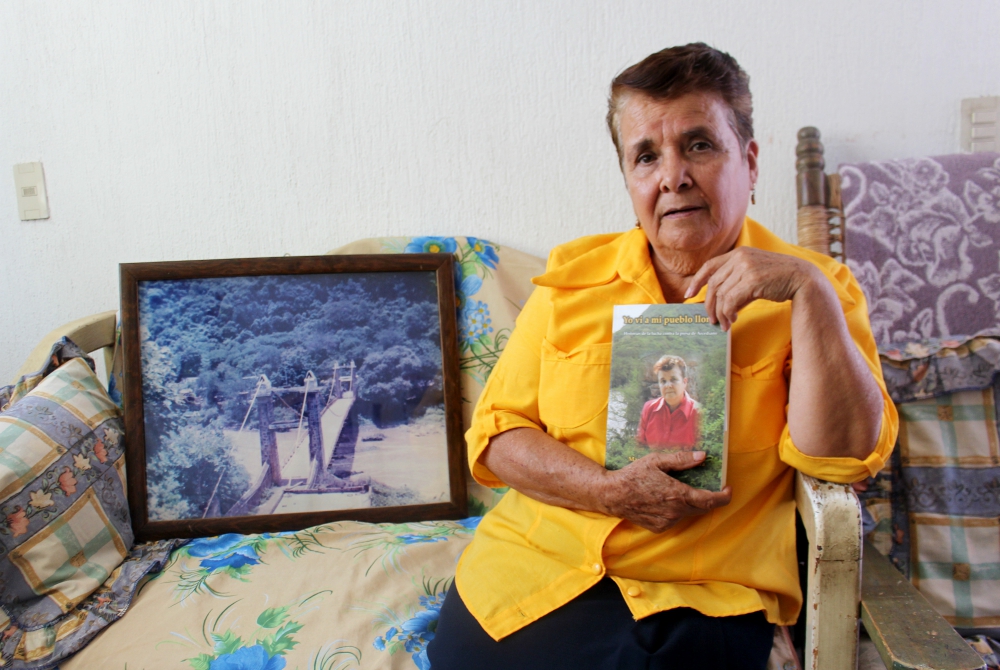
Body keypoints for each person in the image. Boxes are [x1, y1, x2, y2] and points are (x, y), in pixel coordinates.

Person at [427, 43, 897, 670]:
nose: (672, 174)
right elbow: (497, 437)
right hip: (537, 577)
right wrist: (606, 490)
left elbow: (841, 462)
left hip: (705, 596)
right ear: (629, 177)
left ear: (750, 162)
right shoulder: (573, 280)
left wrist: (806, 297)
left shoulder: (818, 288)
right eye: (646, 155)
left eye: (699, 145)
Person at [636, 355, 700, 450]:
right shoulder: (648, 408)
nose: (668, 385)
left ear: (685, 382)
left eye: (673, 380)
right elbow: (639, 448)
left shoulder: (698, 413)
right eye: (663, 381)